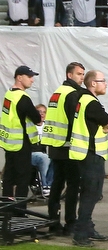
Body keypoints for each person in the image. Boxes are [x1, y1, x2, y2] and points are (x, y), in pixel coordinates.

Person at [69, 70, 108, 246]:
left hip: (85, 153)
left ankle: (87, 228)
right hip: (92, 154)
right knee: (91, 194)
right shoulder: (91, 102)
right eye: (103, 80)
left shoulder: (82, 99)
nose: (106, 84)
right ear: (93, 83)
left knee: (90, 193)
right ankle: (80, 235)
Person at [40, 62, 85, 235]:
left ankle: (53, 220)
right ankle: (70, 223)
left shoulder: (57, 93)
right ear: (69, 75)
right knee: (73, 185)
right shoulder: (73, 94)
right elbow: (76, 120)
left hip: (55, 146)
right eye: (79, 74)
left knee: (57, 184)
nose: (81, 77)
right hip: (68, 147)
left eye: (82, 74)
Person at [0, 66, 41, 206]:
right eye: (29, 76)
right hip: (21, 143)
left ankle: (6, 208)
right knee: (23, 178)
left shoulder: (9, 94)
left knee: (9, 177)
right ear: (19, 77)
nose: (32, 80)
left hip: (9, 142)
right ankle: (19, 211)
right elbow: (36, 117)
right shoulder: (22, 98)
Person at [31, 103, 52, 196]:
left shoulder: (48, 127)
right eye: (39, 112)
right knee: (44, 157)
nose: (42, 114)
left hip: (44, 153)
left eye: (44, 112)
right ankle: (45, 185)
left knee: (55, 159)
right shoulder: (30, 126)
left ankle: (51, 185)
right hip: (31, 154)